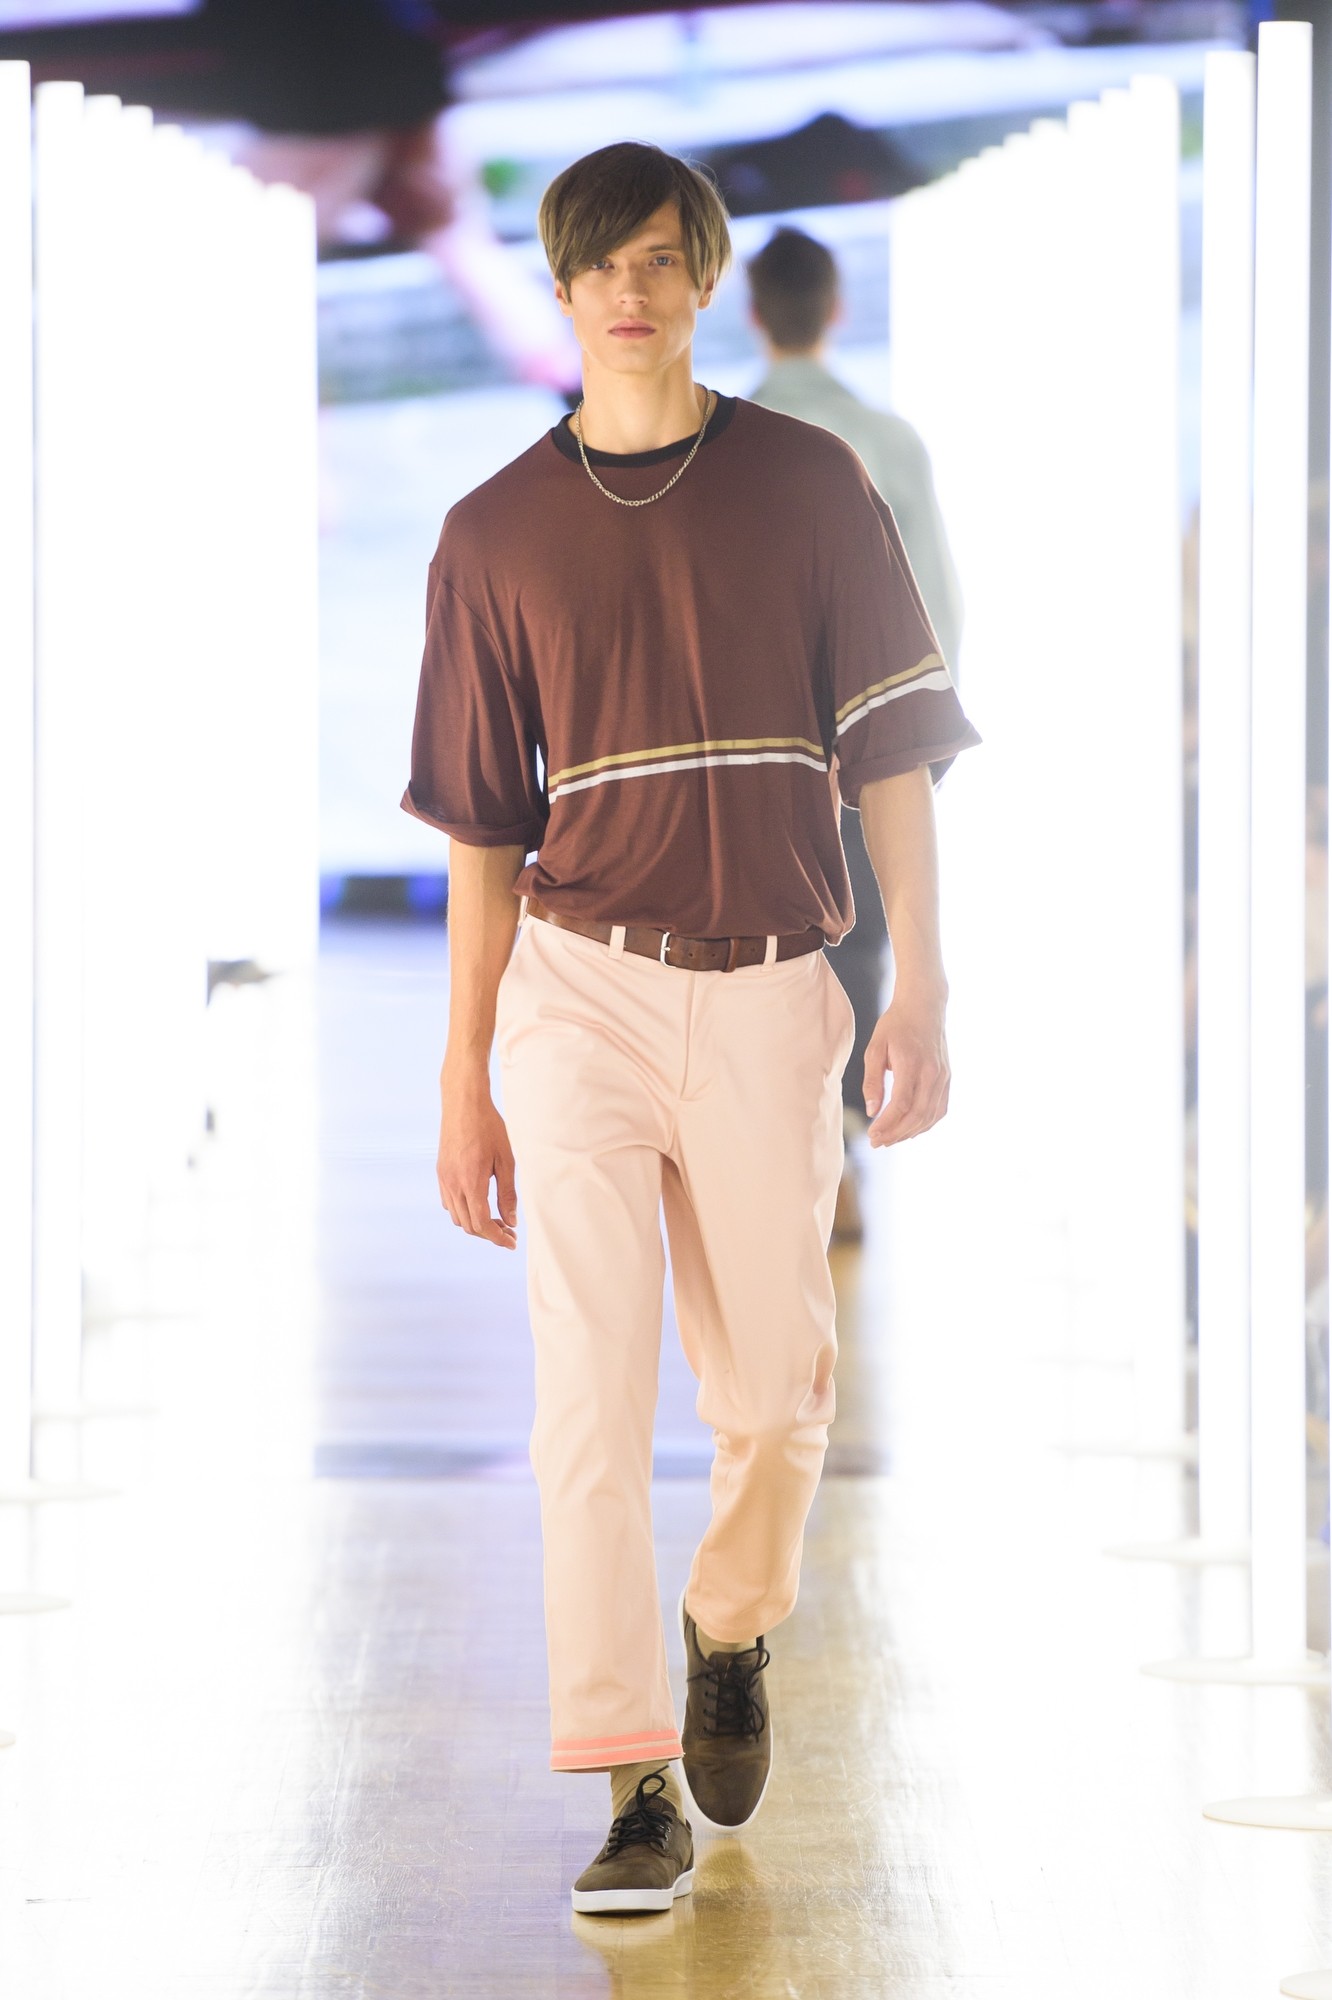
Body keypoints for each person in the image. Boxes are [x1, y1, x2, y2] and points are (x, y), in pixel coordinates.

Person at [402, 142, 981, 1917]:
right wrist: (464, 1078)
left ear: (705, 280)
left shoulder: (810, 486)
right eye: (600, 266)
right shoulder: (489, 536)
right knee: (585, 1397)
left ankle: (730, 1626)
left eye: (660, 260)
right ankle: (628, 1776)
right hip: (575, 990)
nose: (630, 292)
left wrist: (921, 982)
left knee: (778, 1395)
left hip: (771, 990)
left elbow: (893, 756)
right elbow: (483, 838)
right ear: (561, 289)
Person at [747, 226, 966, 1241]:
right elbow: (934, 615)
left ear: (750, 312)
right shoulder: (888, 441)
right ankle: (837, 1138)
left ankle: (776, 1148)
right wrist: (915, 769)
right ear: (835, 309)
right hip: (863, 749)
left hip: (754, 759)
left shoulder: (725, 441)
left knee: (756, 956)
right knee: (860, 940)